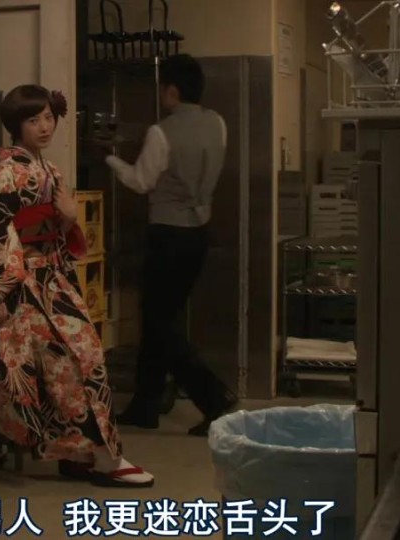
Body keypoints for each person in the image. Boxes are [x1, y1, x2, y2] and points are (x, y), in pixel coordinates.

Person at [0, 84, 154, 487]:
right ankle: (101, 457)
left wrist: (68, 219)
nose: (44, 126)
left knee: (83, 358)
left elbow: (59, 229)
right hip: (21, 285)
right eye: (33, 120)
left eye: (49, 117)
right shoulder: (5, 172)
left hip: (52, 277)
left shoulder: (50, 169)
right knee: (72, 361)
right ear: (16, 125)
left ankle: (85, 455)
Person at [104, 54, 237, 437]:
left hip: (168, 234)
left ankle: (214, 398)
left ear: (173, 90)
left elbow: (141, 181)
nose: (162, 94)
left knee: (160, 323)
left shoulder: (161, 132)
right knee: (161, 317)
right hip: (199, 234)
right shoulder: (218, 123)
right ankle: (145, 404)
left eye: (164, 88)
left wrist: (111, 158)